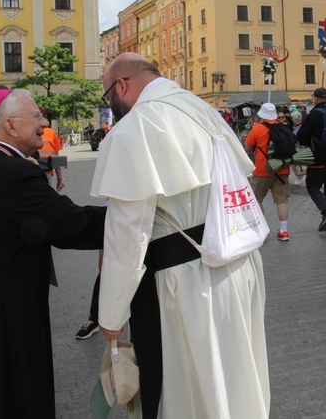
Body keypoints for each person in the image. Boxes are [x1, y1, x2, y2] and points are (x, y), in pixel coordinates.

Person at [90, 53, 269, 418]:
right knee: (239, 377)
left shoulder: (133, 129)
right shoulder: (202, 109)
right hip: (239, 265)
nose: (112, 106)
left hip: (186, 283)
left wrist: (109, 314)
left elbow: (128, 236)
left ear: (121, 85)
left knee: (194, 389)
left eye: (109, 96)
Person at [0, 89, 106, 418]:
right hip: (8, 315)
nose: (44, 123)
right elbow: (69, 224)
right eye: (37, 116)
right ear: (11, 126)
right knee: (16, 397)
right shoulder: (15, 173)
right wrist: (130, 218)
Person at [245, 102, 292, 241]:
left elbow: (247, 147)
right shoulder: (284, 128)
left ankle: (262, 230)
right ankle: (283, 231)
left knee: (257, 199)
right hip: (282, 168)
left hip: (262, 170)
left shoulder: (257, 129)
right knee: (281, 201)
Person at [297, 87, 326, 231]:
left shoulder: (314, 114)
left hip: (318, 158)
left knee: (312, 186)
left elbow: (302, 137)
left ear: (315, 98)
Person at [39, 117, 65, 192]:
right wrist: (59, 179)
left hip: (30, 168)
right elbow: (56, 157)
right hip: (46, 168)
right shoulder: (51, 132)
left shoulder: (26, 131)